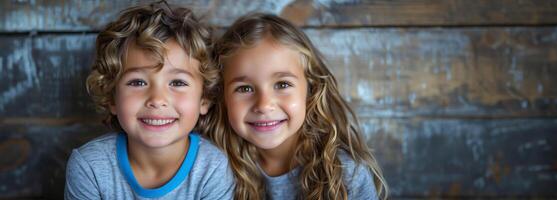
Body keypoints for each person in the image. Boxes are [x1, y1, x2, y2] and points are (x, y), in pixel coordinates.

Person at [205, 13, 388, 199]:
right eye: (244, 88)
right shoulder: (212, 170)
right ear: (222, 96)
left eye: (282, 85)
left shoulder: (346, 174)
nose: (264, 105)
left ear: (311, 89)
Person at [64, 1, 234, 199]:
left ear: (204, 99)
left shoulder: (212, 169)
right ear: (112, 97)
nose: (157, 99)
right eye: (137, 82)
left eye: (178, 83)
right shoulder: (89, 166)